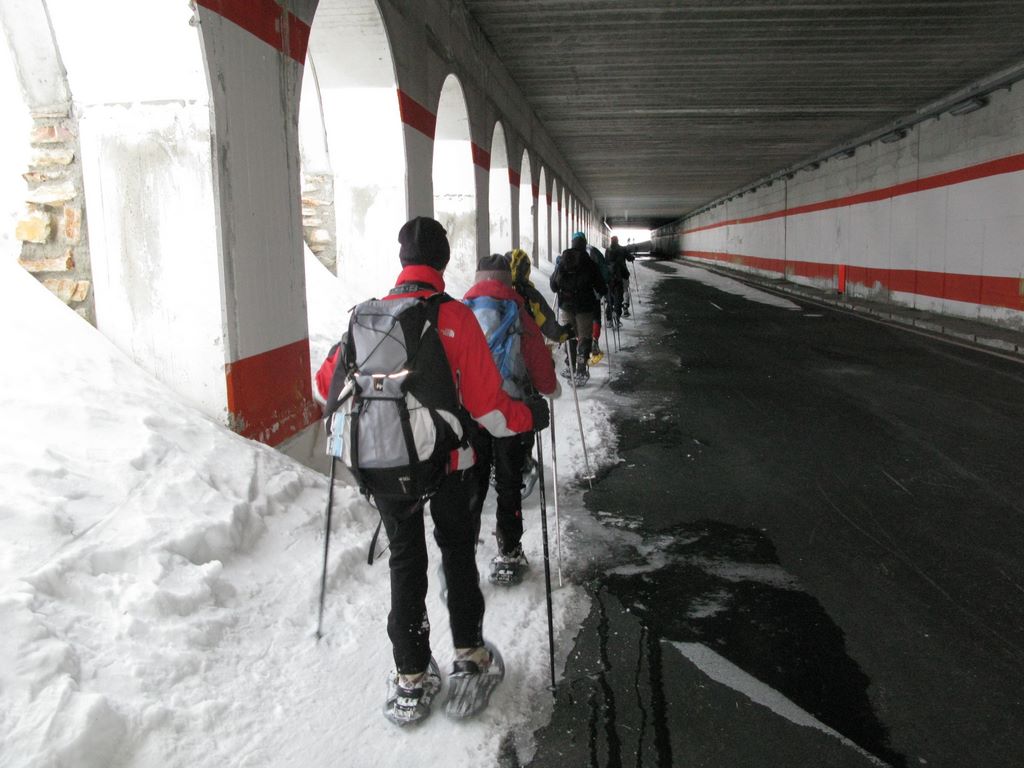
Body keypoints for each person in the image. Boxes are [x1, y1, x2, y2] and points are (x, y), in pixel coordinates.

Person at [314, 217, 550, 726]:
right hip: (451, 466)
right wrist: (530, 414)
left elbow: (324, 385)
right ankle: (469, 655)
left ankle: (412, 677)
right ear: (443, 262)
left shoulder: (368, 317)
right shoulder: (456, 319)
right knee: (457, 554)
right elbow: (488, 410)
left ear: (403, 262)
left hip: (386, 464)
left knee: (405, 559)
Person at [464, 254, 559, 585]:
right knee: (507, 482)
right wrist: (550, 390)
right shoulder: (519, 312)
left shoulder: (462, 313)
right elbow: (540, 368)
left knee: (472, 481)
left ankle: (463, 551)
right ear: (507, 279)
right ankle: (509, 551)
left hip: (472, 414)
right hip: (511, 413)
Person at [549, 231, 606, 385]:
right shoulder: (589, 262)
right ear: (584, 243)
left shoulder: (563, 260)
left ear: (572, 242)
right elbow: (601, 286)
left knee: (570, 335)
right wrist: (600, 294)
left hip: (566, 306)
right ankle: (581, 368)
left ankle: (570, 366)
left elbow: (553, 285)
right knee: (584, 336)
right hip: (584, 307)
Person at [506, 248, 572, 344]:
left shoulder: (492, 292)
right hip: (523, 351)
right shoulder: (530, 295)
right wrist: (565, 333)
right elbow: (550, 328)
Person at [604, 236, 634, 326]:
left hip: (610, 278)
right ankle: (622, 309)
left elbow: (605, 262)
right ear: (618, 241)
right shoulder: (622, 249)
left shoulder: (607, 250)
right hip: (621, 276)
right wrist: (632, 258)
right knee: (622, 294)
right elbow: (629, 258)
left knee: (610, 299)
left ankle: (609, 320)